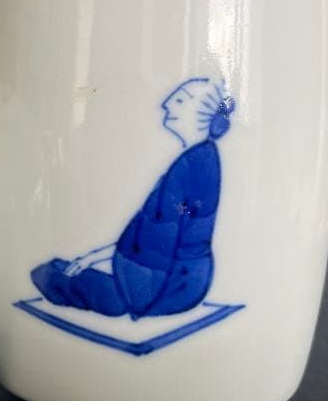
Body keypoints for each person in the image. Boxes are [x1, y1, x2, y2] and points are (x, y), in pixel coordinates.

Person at [30, 77, 235, 320]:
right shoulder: (198, 159)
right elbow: (152, 234)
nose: (167, 105)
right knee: (60, 273)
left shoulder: (192, 167)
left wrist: (104, 270)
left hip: (161, 289)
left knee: (53, 277)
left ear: (201, 115)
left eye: (180, 101)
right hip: (176, 285)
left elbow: (159, 241)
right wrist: (92, 258)